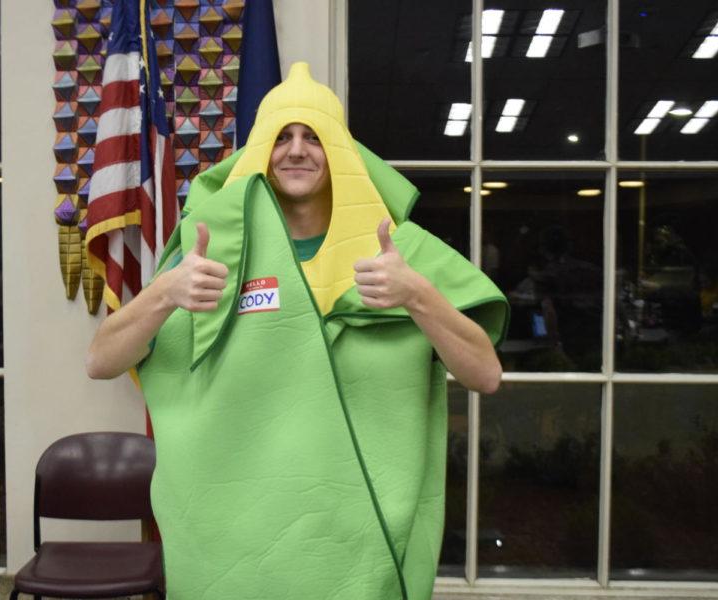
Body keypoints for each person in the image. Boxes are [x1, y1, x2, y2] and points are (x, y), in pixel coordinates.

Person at [87, 63, 509, 600]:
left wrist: (417, 295)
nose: (297, 150)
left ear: (341, 153)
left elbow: (485, 375)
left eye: (314, 136)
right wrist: (164, 293)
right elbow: (100, 360)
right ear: (259, 151)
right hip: (237, 545)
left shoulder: (402, 252)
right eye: (281, 136)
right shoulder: (207, 252)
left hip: (359, 547)